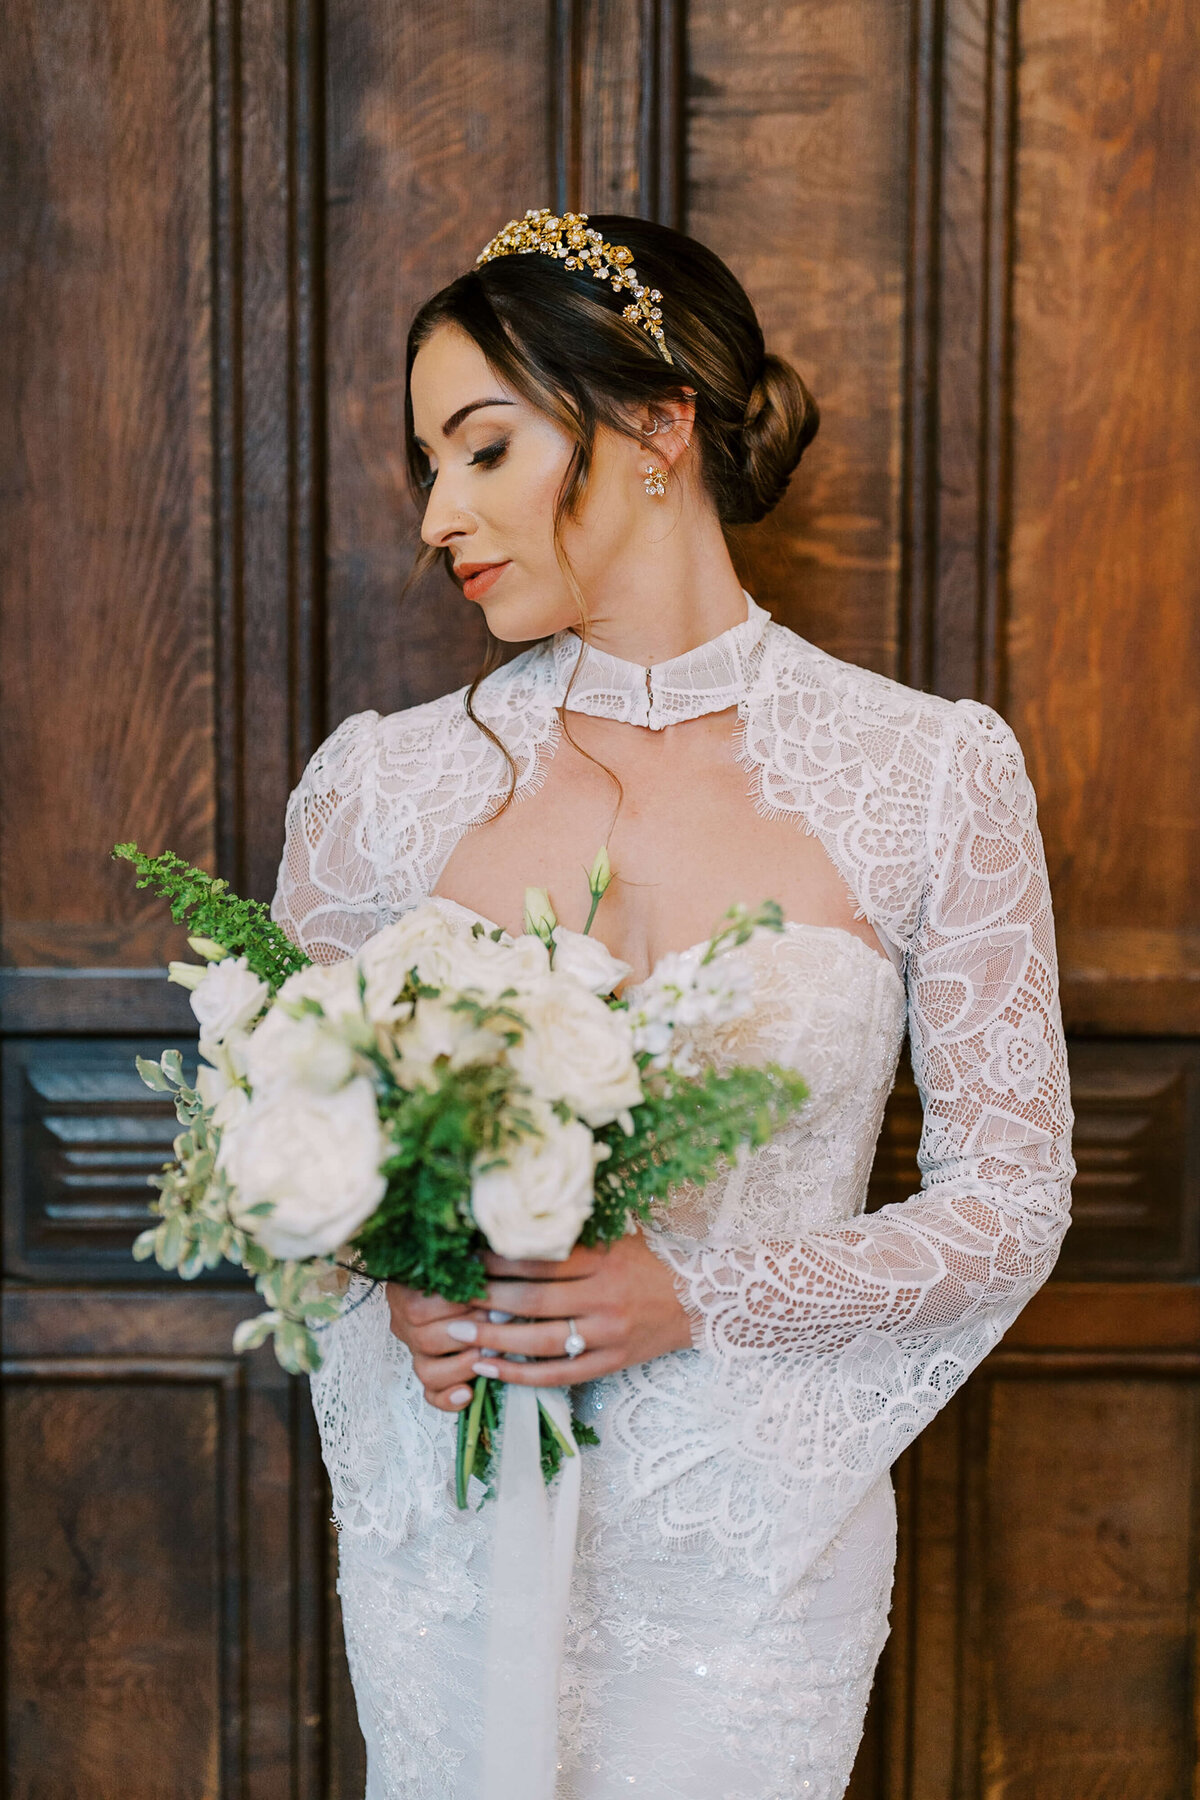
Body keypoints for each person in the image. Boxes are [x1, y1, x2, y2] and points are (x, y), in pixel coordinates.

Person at [271, 209, 1076, 1800]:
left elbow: (1014, 1195)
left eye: (484, 449)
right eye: (429, 466)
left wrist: (698, 1290)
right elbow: (285, 1152)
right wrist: (391, 1286)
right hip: (457, 1524)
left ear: (656, 424)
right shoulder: (380, 786)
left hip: (754, 1542)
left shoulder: (929, 773)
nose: (440, 514)